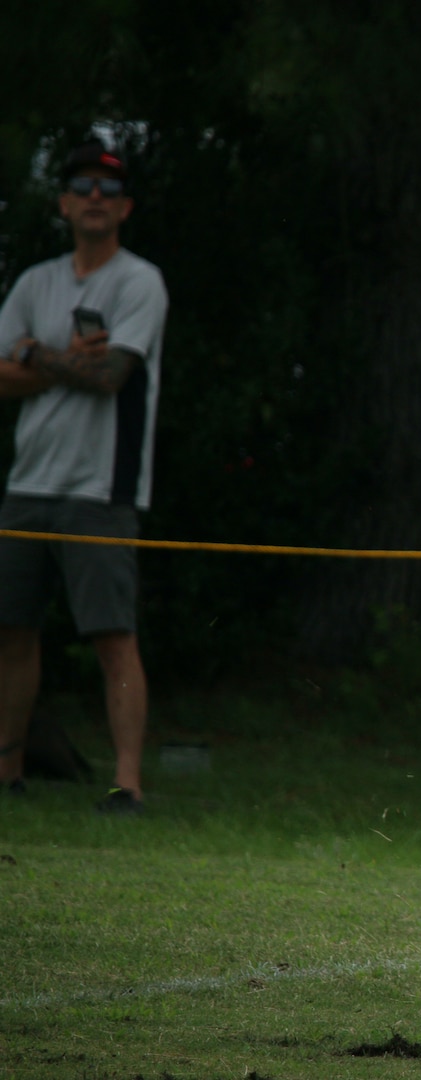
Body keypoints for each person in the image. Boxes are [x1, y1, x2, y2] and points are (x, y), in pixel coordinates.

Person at [0, 140, 169, 814]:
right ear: (65, 203)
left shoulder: (139, 282)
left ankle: (126, 784)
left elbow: (111, 376)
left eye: (108, 188)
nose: (94, 197)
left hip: (101, 488)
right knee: (11, 629)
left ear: (124, 207)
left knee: (111, 635)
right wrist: (60, 357)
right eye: (82, 186)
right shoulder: (34, 283)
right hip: (27, 484)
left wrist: (34, 354)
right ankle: (7, 767)